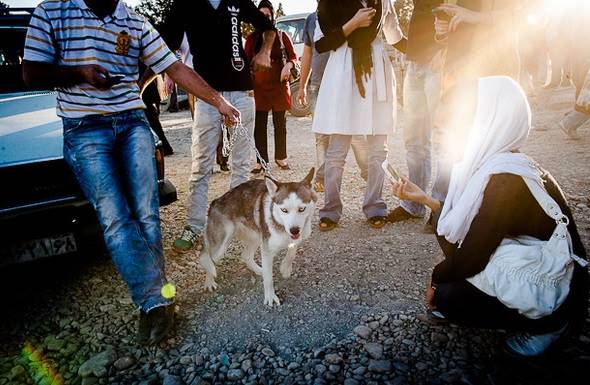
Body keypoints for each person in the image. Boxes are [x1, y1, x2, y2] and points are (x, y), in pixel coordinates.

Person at [22, 0, 239, 344]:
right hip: (84, 127)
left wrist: (218, 101)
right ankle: (155, 300)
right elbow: (31, 72)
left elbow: (174, 67)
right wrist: (79, 73)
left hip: (133, 121)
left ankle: (156, 300)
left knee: (147, 215)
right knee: (115, 218)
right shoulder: (51, 12)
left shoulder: (134, 22)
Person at [391, 76, 588, 357]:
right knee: (451, 280)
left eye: (451, 126)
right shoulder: (499, 163)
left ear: (486, 122)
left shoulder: (507, 178)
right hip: (545, 275)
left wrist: (435, 280)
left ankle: (549, 326)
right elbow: (462, 235)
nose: (441, 136)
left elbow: (472, 255)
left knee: (447, 296)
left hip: (559, 294)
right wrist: (424, 200)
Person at [160, 0, 276, 253]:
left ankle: (238, 223)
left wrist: (265, 51)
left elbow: (268, 28)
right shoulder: (185, 4)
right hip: (206, 95)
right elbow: (160, 47)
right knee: (201, 164)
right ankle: (194, 225)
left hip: (242, 92)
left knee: (242, 164)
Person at [314, 0, 404, 231]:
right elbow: (321, 43)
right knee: (337, 148)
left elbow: (394, 35)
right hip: (343, 71)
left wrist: (428, 51)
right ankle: (330, 209)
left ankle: (375, 206)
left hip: (376, 70)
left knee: (379, 147)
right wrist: (353, 24)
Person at [297, 2, 368, 192]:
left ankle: (368, 170)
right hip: (318, 85)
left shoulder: (348, 12)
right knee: (322, 135)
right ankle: (323, 177)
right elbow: (307, 53)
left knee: (355, 133)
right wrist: (302, 85)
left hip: (342, 84)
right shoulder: (311, 20)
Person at [386, 0, 445, 225]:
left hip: (438, 62)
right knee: (414, 139)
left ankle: (440, 206)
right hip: (415, 63)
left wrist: (446, 49)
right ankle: (414, 205)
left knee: (443, 137)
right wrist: (411, 50)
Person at [245, 0, 296, 173]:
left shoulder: (282, 35)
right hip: (259, 88)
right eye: (261, 16)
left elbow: (293, 57)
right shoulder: (251, 39)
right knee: (259, 126)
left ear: (272, 16)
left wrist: (289, 66)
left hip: (279, 86)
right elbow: (245, 64)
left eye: (267, 15)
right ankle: (261, 161)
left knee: (280, 124)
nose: (265, 19)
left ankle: (281, 158)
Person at [141, 65, 174, 156]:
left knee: (152, 119)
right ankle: (163, 147)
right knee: (152, 119)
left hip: (146, 87)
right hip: (146, 86)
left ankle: (164, 147)